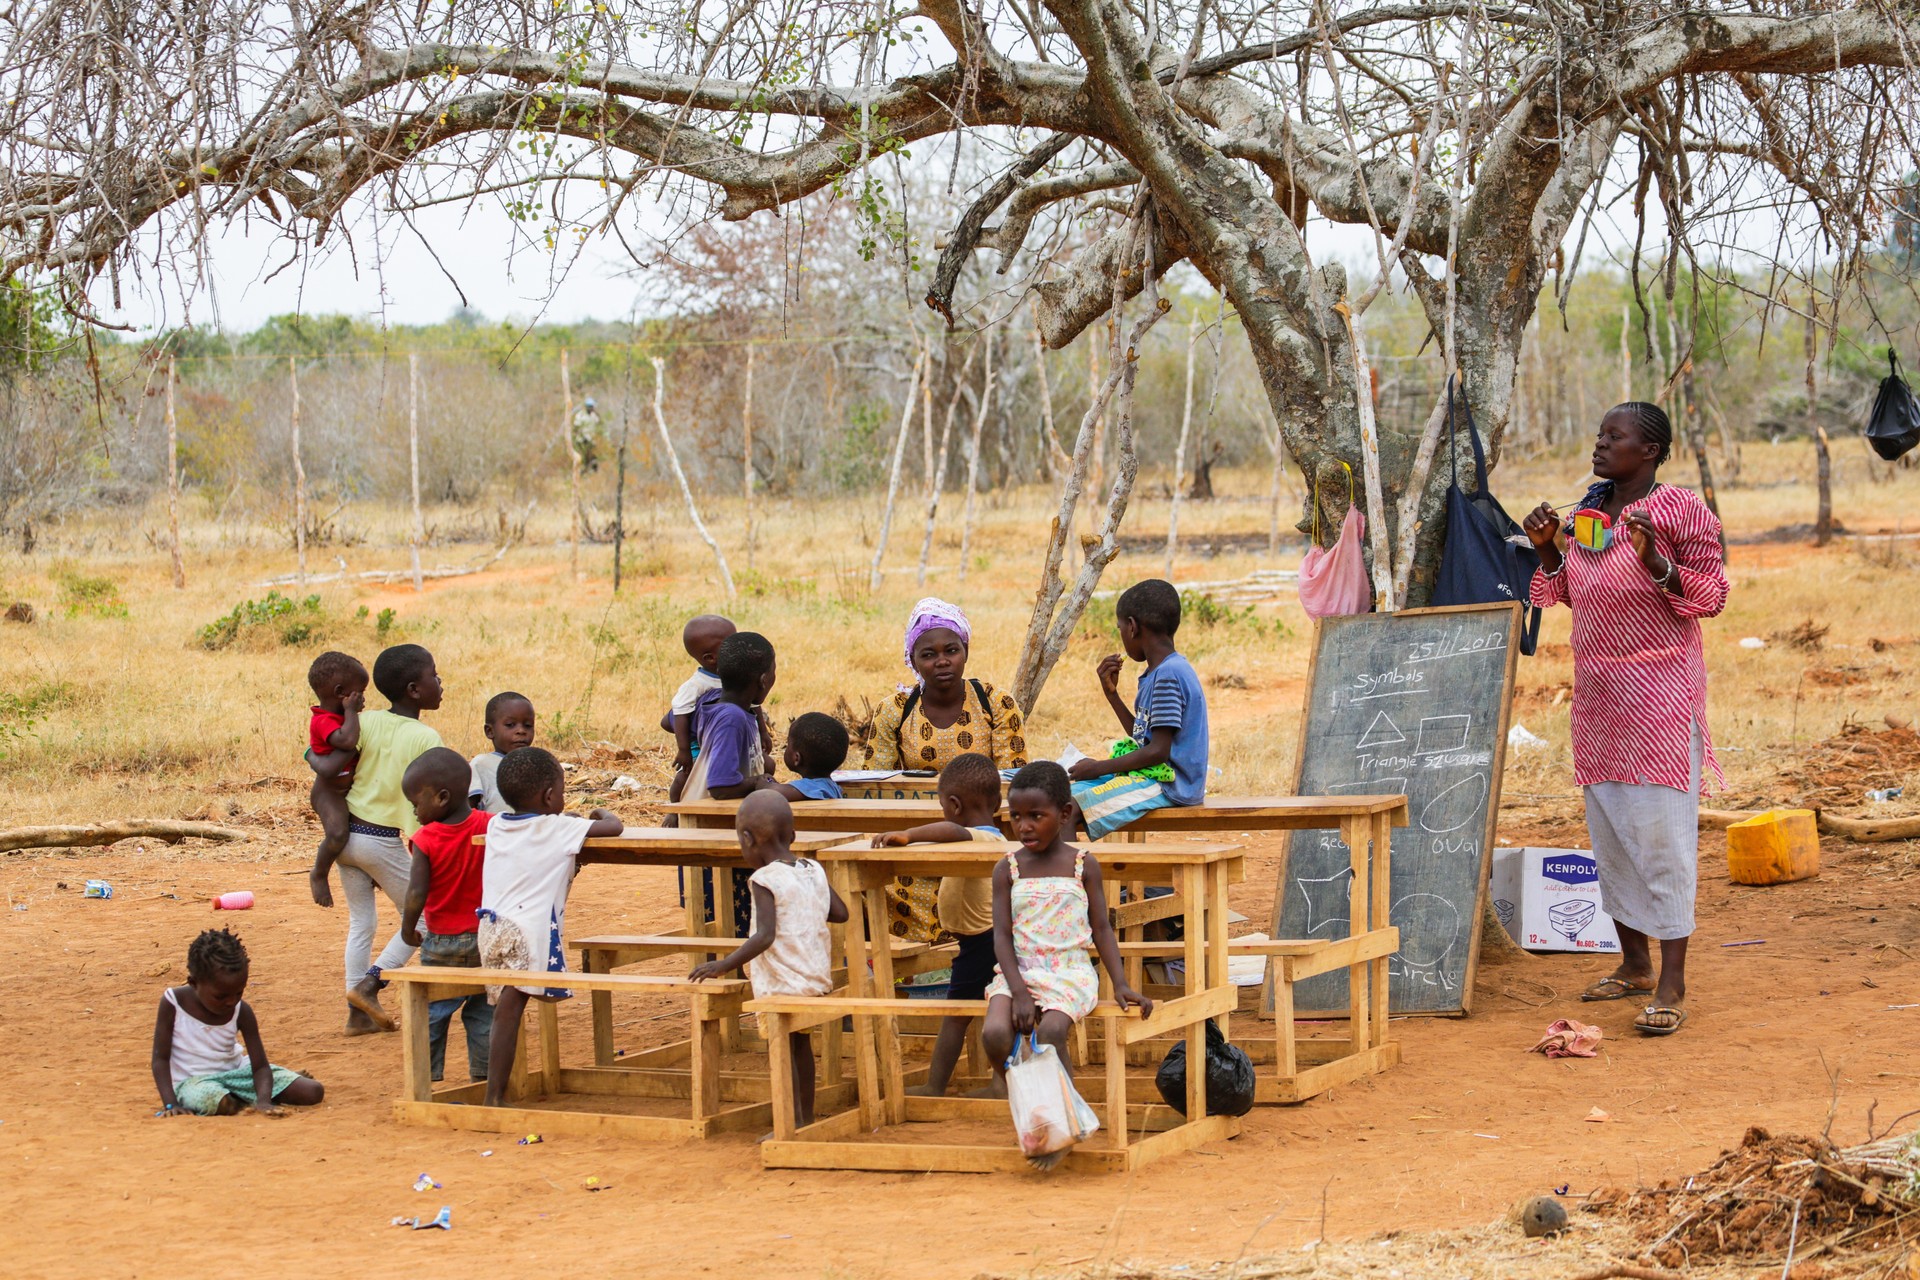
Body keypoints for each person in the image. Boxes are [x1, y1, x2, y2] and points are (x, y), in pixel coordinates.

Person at [1523, 401, 1729, 1039]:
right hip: (1600, 695)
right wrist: (1547, 548)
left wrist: (1657, 563)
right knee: (1610, 831)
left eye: (1616, 436)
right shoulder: (1589, 513)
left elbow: (1710, 596)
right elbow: (1558, 591)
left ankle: (1672, 981)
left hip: (1661, 695)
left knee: (1661, 834)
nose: (1601, 442)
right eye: (1601, 431)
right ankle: (1634, 964)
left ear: (1650, 451)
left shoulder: (1679, 512)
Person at [981, 762, 1150, 1135]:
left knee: (1052, 1032)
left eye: (1036, 816)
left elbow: (1102, 928)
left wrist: (1119, 983)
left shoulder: (1082, 865)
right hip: (1019, 971)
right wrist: (1020, 991)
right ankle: (1032, 1101)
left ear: (1065, 814)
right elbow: (1002, 937)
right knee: (993, 1034)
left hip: (1069, 972)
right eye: (1016, 816)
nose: (1024, 826)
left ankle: (1062, 1123)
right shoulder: (1006, 869)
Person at [860, 597, 1029, 940]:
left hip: (986, 838)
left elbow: (1015, 776)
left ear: (965, 650)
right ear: (913, 660)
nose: (941, 662)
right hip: (916, 836)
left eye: (951, 650)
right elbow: (874, 782)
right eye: (928, 654)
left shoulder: (996, 703)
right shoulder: (894, 710)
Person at [691, 791, 848, 1128]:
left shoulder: (765, 879)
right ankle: (803, 1118)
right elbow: (841, 913)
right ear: (792, 836)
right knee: (800, 1048)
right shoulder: (812, 869)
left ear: (747, 839)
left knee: (783, 1052)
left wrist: (723, 965)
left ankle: (788, 1124)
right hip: (814, 979)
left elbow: (764, 936)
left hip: (783, 985)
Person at [478, 747, 624, 1106]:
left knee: (508, 1005)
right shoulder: (559, 828)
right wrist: (597, 811)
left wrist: (565, 817)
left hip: (491, 928)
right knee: (509, 1011)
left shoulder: (496, 824)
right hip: (526, 933)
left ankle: (495, 1091)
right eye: (560, 790)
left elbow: (539, 832)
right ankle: (493, 1096)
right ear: (548, 796)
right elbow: (614, 827)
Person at [310, 643, 443, 1034]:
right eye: (434, 675)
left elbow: (323, 753)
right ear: (414, 690)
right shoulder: (426, 738)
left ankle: (357, 1015)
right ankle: (372, 984)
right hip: (379, 840)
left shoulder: (363, 723)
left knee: (362, 923)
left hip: (345, 839)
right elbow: (430, 800)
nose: (440, 682)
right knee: (428, 921)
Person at [871, 752, 1005, 1097]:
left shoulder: (984, 838)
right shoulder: (983, 836)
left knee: (959, 1014)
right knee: (977, 1012)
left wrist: (909, 835)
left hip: (985, 944)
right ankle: (990, 1083)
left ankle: (943, 1085)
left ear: (955, 805)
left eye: (944, 805)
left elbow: (953, 830)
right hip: (980, 941)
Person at [1067, 579, 1211, 839]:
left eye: (1120, 628)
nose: (1122, 635)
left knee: (1066, 810)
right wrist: (1113, 696)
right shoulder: (1162, 671)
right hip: (1157, 778)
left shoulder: (1168, 675)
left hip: (1169, 785)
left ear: (1132, 627)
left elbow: (1157, 752)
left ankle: (1065, 879)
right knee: (1059, 798)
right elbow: (1145, 739)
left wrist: (1099, 767)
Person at [150, 928, 324, 1117]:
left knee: (313, 1091)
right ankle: (237, 1097)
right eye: (221, 996)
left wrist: (264, 1101)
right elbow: (160, 1059)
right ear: (193, 983)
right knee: (217, 1101)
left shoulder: (242, 1011)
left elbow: (260, 1066)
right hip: (193, 1082)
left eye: (239, 992)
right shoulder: (173, 1003)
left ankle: (252, 1093)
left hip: (238, 1075)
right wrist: (170, 1104)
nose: (232, 1001)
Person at [400, 747, 494, 1084]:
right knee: (485, 1010)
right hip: (486, 937)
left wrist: (407, 929)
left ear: (441, 797)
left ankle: (427, 1075)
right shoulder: (489, 825)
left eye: (415, 804)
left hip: (442, 942)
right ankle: (484, 1075)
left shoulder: (425, 839)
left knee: (434, 1011)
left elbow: (416, 892)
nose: (414, 811)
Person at [682, 631, 779, 935]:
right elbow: (721, 786)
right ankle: (728, 979)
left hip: (723, 837)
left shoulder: (721, 704)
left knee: (735, 927)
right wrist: (757, 782)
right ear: (763, 680)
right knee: (730, 926)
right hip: (714, 843)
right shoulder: (730, 718)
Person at [303, 651, 367, 874]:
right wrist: (352, 712)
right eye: (359, 693)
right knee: (338, 834)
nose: (362, 699)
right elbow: (348, 741)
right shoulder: (322, 720)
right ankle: (319, 873)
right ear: (340, 692)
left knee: (364, 835)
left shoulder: (343, 718)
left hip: (349, 790)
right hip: (328, 792)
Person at [664, 614, 735, 807]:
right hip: (699, 742)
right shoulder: (696, 685)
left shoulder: (737, 674)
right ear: (710, 658)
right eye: (731, 645)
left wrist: (763, 732)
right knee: (685, 775)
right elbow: (679, 713)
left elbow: (754, 704)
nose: (738, 646)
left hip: (729, 738)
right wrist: (684, 750)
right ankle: (675, 810)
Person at [469, 691, 535, 815]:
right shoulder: (481, 765)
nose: (521, 731)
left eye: (528, 725)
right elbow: (469, 811)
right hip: (492, 833)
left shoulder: (536, 766)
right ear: (490, 731)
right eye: (510, 725)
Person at [774, 712, 849, 802]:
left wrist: (762, 782)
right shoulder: (830, 786)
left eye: (787, 745)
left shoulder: (812, 787)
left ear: (796, 758)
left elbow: (771, 793)